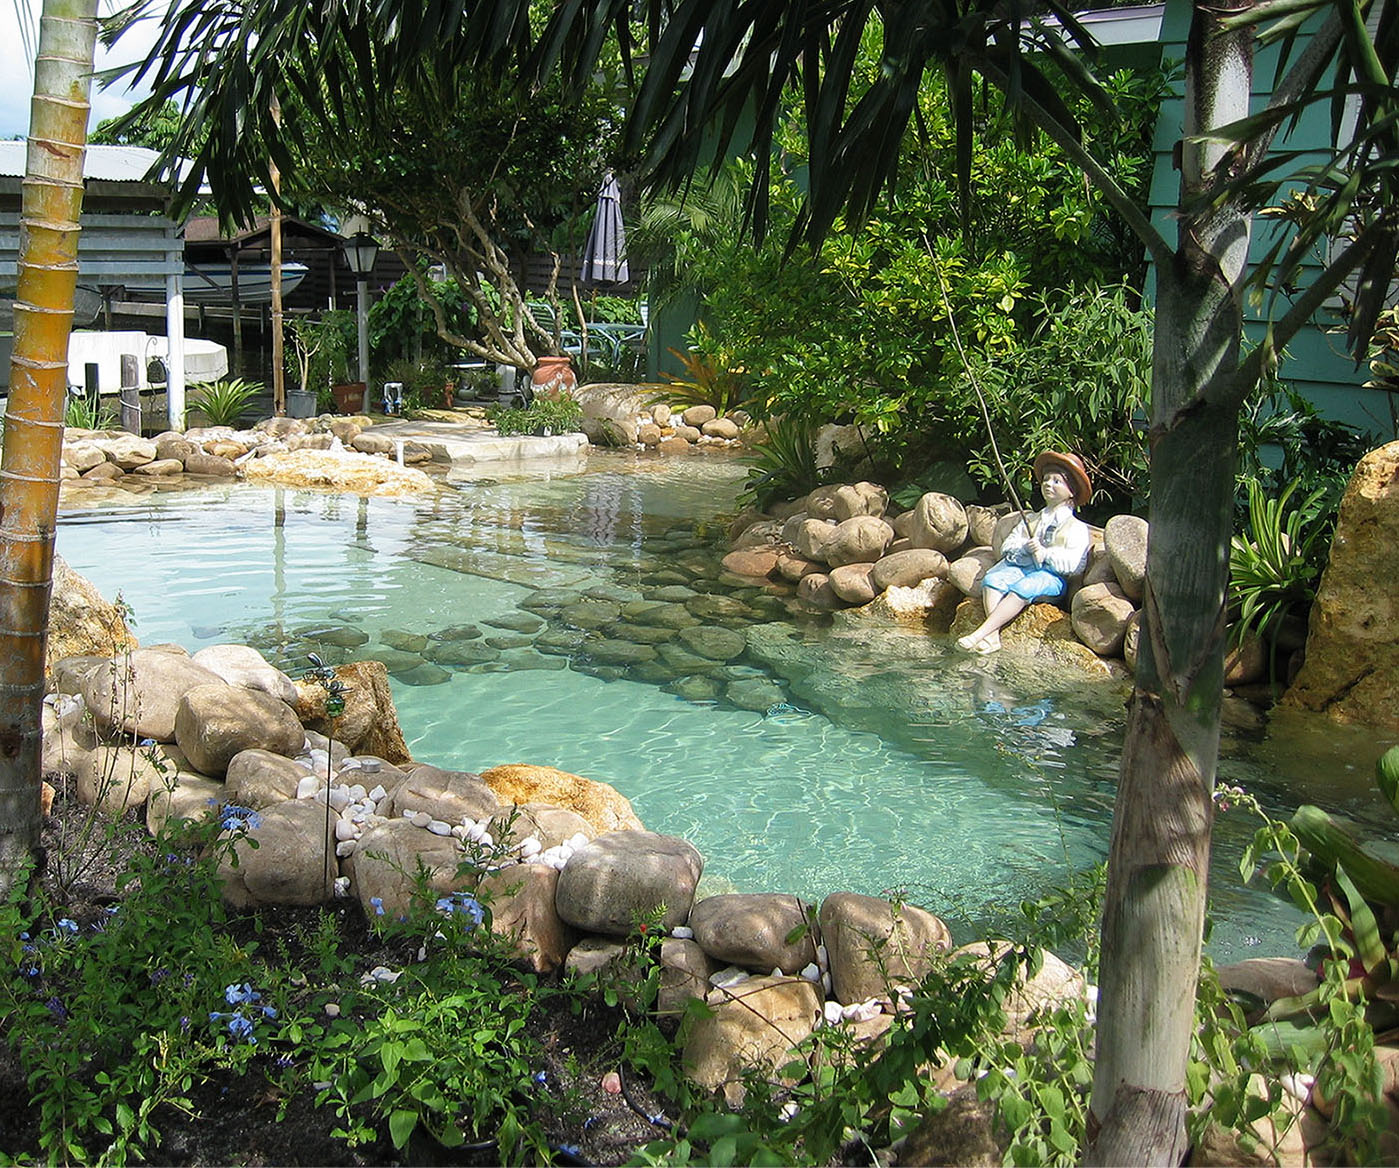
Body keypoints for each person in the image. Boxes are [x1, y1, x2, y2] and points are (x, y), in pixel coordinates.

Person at [955, 451, 1093, 654]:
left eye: (1057, 481)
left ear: (1071, 490)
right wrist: (1023, 549)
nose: (1048, 484)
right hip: (1022, 568)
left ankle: (979, 634)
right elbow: (1008, 545)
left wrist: (1047, 554)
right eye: (1046, 479)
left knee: (1025, 586)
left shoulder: (1076, 527)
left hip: (1049, 578)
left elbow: (1074, 564)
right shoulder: (1031, 519)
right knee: (993, 578)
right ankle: (992, 637)